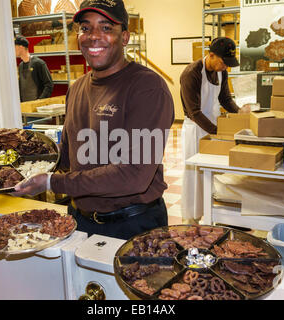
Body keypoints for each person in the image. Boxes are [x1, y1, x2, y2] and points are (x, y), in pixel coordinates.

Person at [13, 0, 175, 240]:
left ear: (125, 37)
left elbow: (135, 174)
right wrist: (20, 163)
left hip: (132, 225)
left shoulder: (147, 87)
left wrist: (51, 182)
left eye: (106, 28)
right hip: (80, 221)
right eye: (86, 28)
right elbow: (68, 156)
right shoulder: (76, 89)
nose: (93, 36)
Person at [179, 37, 250, 223]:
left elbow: (225, 99)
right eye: (223, 62)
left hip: (212, 127)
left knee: (212, 173)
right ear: (211, 55)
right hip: (195, 129)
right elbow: (194, 112)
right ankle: (191, 218)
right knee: (195, 174)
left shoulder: (221, 73)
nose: (225, 67)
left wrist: (241, 115)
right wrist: (218, 132)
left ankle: (212, 214)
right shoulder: (191, 73)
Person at [15, 35, 54, 102]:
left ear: (21, 47)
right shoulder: (21, 66)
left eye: (14, 47)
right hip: (25, 105)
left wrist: (40, 100)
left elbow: (49, 85)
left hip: (37, 106)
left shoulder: (38, 63)